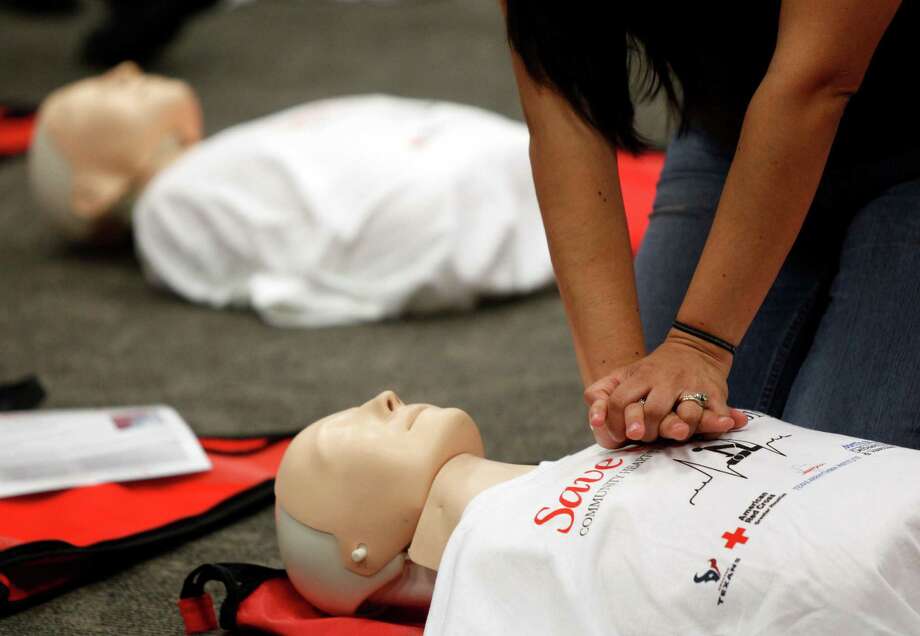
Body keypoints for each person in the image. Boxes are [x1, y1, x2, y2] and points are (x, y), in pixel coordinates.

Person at [500, 2, 920, 450]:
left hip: (897, 138)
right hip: (733, 138)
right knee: (661, 456)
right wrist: (623, 388)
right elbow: (564, 106)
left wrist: (698, 344)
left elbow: (816, 82)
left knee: (844, 471)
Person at [274, 390, 920, 634]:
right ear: (359, 552)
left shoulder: (599, 449)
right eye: (338, 446)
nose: (383, 397)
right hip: (865, 571)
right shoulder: (493, 571)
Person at [28, 63, 554, 327]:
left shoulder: (208, 165)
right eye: (100, 95)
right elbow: (270, 275)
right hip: (442, 200)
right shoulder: (169, 207)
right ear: (92, 193)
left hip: (466, 164)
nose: (123, 72)